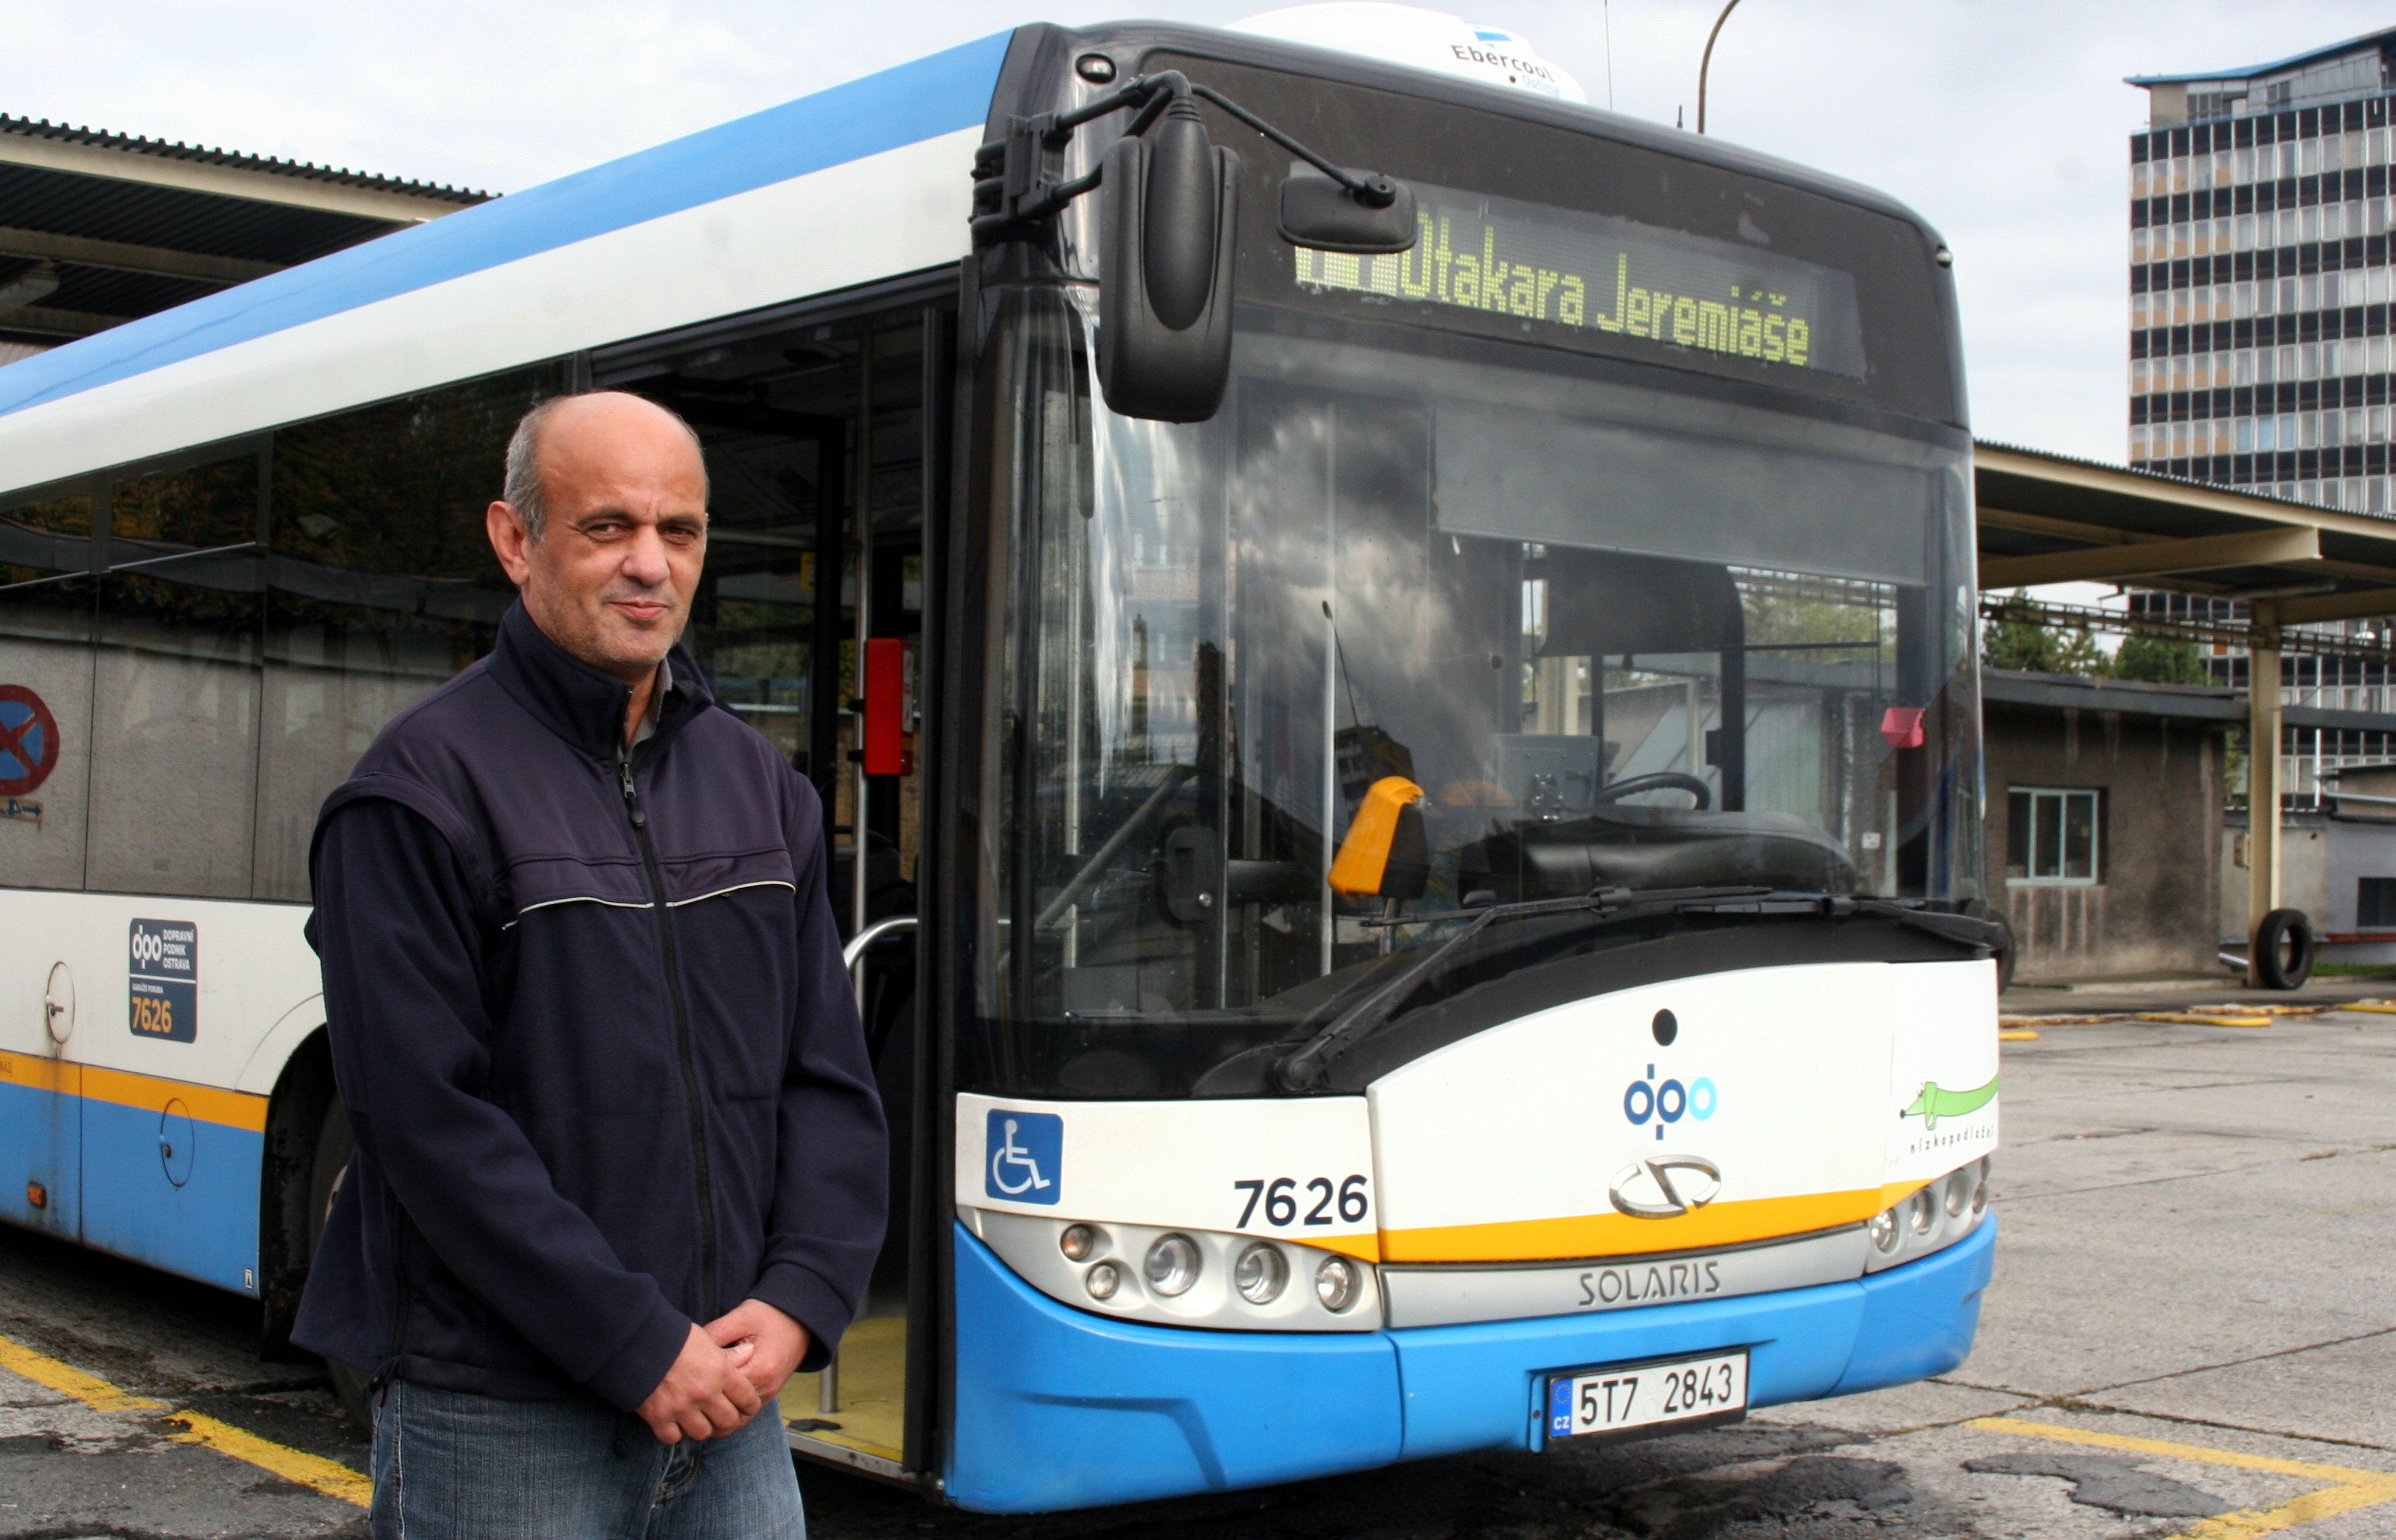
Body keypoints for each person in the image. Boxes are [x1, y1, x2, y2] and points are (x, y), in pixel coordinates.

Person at [296, 392, 886, 1539]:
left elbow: (826, 1075)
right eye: (608, 526)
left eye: (681, 530)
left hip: (731, 1402)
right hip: (504, 1419)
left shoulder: (763, 789)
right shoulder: (415, 792)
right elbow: (424, 1123)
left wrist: (801, 1296)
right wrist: (632, 1342)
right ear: (515, 541)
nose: (651, 565)